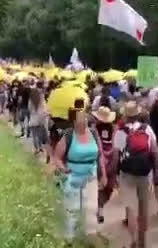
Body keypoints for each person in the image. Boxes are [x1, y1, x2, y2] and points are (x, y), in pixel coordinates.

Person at [54, 104, 106, 242]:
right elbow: (57, 157)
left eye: (85, 121)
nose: (83, 124)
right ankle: (69, 239)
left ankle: (90, 236)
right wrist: (63, 169)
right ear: (74, 122)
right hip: (73, 178)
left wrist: (103, 174)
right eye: (80, 121)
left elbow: (100, 155)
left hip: (91, 176)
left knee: (91, 208)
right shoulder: (69, 135)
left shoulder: (94, 133)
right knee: (72, 209)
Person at [114, 101, 158, 248]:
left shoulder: (121, 132)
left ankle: (133, 241)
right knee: (143, 209)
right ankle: (143, 242)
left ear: (126, 116)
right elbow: (155, 152)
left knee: (131, 209)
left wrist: (115, 173)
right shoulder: (147, 130)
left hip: (127, 174)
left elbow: (116, 156)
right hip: (144, 174)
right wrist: (157, 171)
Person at [93, 106, 118, 224]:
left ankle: (99, 207)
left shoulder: (94, 129)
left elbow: (97, 145)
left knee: (102, 186)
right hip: (111, 160)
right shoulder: (114, 128)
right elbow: (116, 145)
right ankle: (100, 209)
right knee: (108, 187)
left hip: (100, 159)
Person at [27, 87, 48, 155]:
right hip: (40, 119)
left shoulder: (30, 100)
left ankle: (37, 148)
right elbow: (44, 109)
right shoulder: (42, 99)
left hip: (33, 119)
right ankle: (41, 147)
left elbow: (29, 109)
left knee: (34, 135)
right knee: (39, 135)